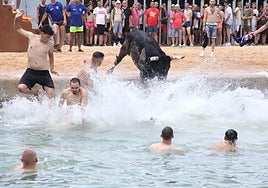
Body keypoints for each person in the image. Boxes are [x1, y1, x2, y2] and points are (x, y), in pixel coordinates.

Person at [14, 11, 59, 99]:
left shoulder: (50, 44)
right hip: (31, 71)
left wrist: (52, 69)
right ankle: (35, 92)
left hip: (43, 73)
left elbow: (51, 56)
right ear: (42, 34)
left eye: (49, 38)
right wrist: (16, 19)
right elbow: (17, 28)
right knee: (21, 88)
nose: (48, 39)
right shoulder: (31, 37)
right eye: (47, 37)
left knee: (52, 95)